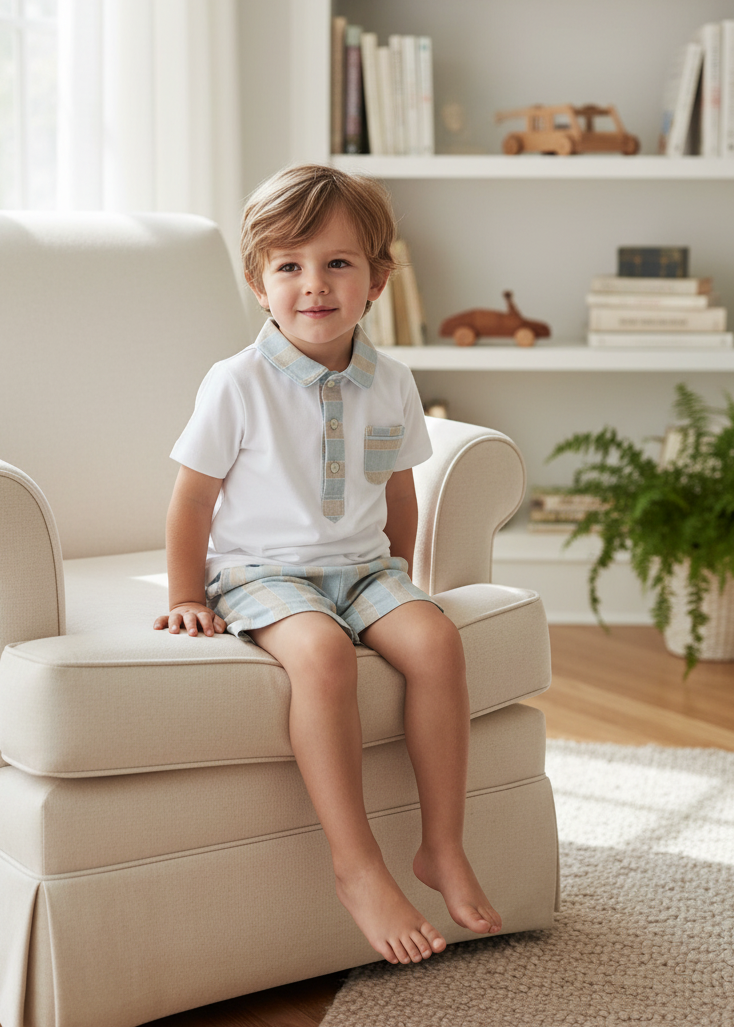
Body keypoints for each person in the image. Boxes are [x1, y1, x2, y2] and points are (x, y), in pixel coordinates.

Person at [154, 164, 502, 966]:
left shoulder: (394, 381)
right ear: (258, 281)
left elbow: (400, 488)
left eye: (338, 263)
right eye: (290, 266)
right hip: (261, 571)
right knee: (319, 656)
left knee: (437, 642)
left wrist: (403, 580)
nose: (313, 285)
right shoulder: (236, 383)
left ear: (377, 279)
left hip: (364, 567)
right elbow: (192, 500)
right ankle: (358, 865)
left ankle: (440, 845)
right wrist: (185, 593)